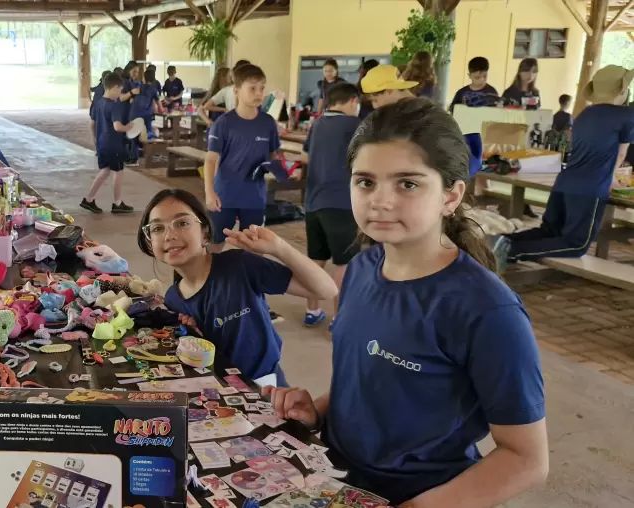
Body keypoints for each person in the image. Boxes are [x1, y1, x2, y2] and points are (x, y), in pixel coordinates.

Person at [266, 99, 548, 506]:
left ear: (451, 196)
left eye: (408, 184)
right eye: (365, 182)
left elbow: (526, 459)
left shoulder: (488, 311)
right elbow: (362, 378)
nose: (380, 201)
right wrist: (318, 412)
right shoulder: (361, 269)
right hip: (334, 480)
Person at [138, 189, 337, 385]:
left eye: (182, 223)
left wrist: (279, 247)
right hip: (218, 391)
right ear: (150, 245)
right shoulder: (173, 299)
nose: (169, 235)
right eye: (157, 228)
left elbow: (327, 290)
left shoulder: (239, 266)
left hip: (268, 387)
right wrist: (192, 337)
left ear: (205, 233)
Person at [506, 65, 634, 263]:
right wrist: (611, 178)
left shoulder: (585, 113)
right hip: (590, 188)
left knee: (548, 231)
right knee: (576, 244)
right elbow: (621, 154)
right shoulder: (626, 116)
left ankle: (496, 242)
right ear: (623, 90)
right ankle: (510, 252)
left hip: (564, 182)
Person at [300, 82, 362, 327]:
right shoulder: (355, 125)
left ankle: (312, 310)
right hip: (341, 203)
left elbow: (305, 156)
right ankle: (339, 318)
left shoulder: (317, 124)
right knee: (344, 264)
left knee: (315, 260)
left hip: (314, 201)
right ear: (353, 101)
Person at [203, 64, 288, 243]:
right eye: (252, 88)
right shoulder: (223, 123)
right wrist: (209, 192)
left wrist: (280, 166)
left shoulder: (268, 123)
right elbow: (210, 160)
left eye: (262, 88)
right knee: (214, 244)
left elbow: (273, 155)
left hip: (254, 198)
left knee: (253, 245)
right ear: (236, 91)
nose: (259, 93)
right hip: (224, 196)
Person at [80, 72, 134, 214]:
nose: (120, 93)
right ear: (114, 87)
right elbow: (117, 127)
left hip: (102, 143)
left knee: (104, 171)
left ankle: (89, 199)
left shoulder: (98, 103)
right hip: (114, 144)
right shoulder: (114, 106)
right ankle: (117, 203)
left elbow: (92, 124)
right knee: (118, 172)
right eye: (120, 90)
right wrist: (129, 127)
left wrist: (95, 139)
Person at [199, 60, 251, 126]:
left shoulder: (227, 90)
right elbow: (202, 108)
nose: (230, 78)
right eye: (228, 76)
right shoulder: (223, 91)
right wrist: (208, 121)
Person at [89, 70, 113, 143]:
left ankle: (96, 140)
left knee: (97, 126)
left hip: (96, 108)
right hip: (98, 108)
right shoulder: (103, 87)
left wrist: (90, 99)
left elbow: (90, 89)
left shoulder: (100, 86)